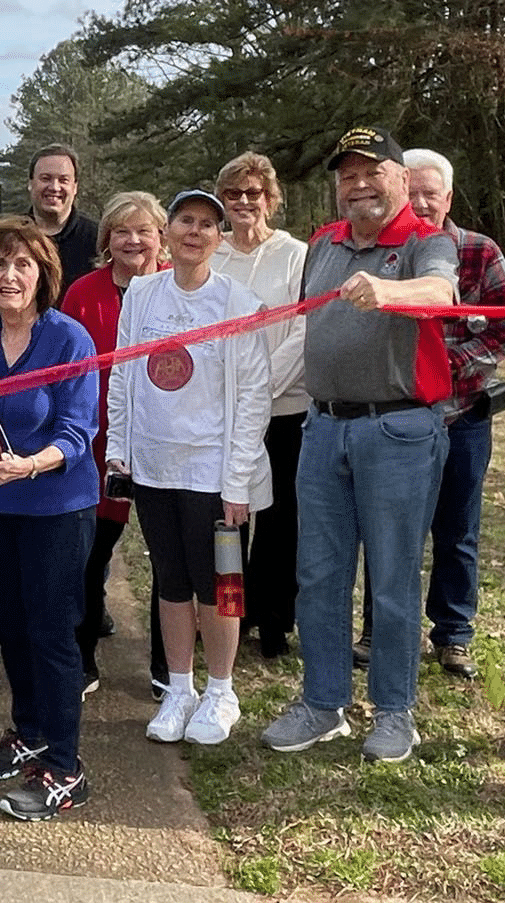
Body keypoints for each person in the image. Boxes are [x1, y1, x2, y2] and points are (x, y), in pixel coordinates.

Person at [259, 126, 456, 765]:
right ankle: (323, 703)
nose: (360, 185)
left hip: (398, 429)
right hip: (323, 428)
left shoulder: (428, 242)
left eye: (373, 172)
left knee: (392, 578)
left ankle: (395, 713)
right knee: (318, 573)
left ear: (400, 179)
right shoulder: (323, 244)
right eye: (348, 176)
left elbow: (441, 294)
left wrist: (389, 292)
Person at [0, 217, 99, 820]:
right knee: (11, 625)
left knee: (53, 633)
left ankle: (65, 766)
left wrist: (31, 465)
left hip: (56, 506)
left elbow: (79, 430)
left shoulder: (69, 339)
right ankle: (28, 730)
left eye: (22, 265)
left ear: (42, 275)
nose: (9, 275)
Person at [106, 189, 273, 747]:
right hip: (156, 468)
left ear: (219, 237)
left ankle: (221, 689)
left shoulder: (238, 303)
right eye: (185, 221)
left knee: (220, 584)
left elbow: (253, 396)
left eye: (207, 224)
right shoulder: (143, 295)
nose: (194, 232)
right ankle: (179, 687)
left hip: (214, 472)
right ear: (168, 231)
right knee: (172, 582)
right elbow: (124, 375)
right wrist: (119, 452)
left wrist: (238, 479)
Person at [353, 148, 505, 680]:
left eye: (435, 193)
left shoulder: (479, 251)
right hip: (396, 419)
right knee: (389, 530)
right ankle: (378, 630)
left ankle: (453, 635)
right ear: (400, 189)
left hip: (463, 415)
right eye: (416, 191)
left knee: (458, 529)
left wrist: (449, 368)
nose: (424, 203)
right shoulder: (381, 251)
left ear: (448, 197)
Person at [59, 190, 167, 696]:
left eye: (144, 230)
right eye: (122, 231)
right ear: (107, 239)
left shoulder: (177, 290)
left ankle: (169, 667)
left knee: (170, 557)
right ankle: (81, 655)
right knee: (90, 552)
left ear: (159, 238)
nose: (133, 240)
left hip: (165, 440)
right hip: (99, 441)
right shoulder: (84, 291)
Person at [210, 151, 310, 660]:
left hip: (283, 408)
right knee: (230, 516)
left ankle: (275, 617)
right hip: (221, 413)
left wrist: (259, 392)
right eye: (234, 194)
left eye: (254, 193)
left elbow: (302, 329)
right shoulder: (211, 254)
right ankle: (234, 611)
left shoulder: (295, 254)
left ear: (271, 199)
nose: (245, 202)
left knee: (280, 518)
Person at [24, 144, 99, 291]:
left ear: (75, 187)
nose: (54, 187)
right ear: (30, 183)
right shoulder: (9, 236)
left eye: (63, 180)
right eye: (45, 178)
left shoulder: (97, 239)